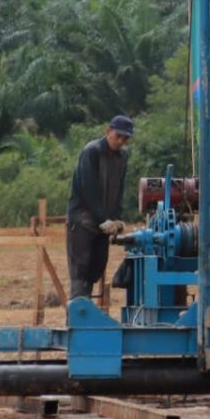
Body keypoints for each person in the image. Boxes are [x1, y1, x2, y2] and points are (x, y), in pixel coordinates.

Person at [66, 115, 132, 300]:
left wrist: (116, 217)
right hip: (83, 219)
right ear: (108, 131)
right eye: (118, 136)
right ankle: (78, 316)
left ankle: (86, 312)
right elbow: (88, 189)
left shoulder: (123, 156)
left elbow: (119, 188)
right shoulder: (92, 151)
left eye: (125, 138)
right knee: (81, 268)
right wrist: (102, 219)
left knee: (97, 267)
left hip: (105, 222)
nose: (120, 141)